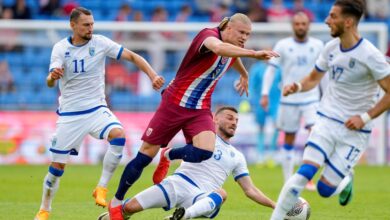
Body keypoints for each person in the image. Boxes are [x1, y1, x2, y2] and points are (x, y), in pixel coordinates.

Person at [108, 13, 279, 220]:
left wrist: (244, 73)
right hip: (174, 103)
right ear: (228, 28)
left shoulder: (231, 47)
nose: (244, 37)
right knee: (145, 155)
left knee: (205, 151)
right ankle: (117, 202)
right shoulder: (208, 36)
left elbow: (232, 56)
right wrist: (253, 54)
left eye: (248, 35)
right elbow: (219, 49)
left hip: (199, 108)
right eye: (242, 32)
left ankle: (169, 155)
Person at [34, 7, 165, 220]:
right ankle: (44, 209)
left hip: (97, 108)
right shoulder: (60, 48)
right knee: (56, 168)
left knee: (119, 134)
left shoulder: (100, 43)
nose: (90, 28)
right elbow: (50, 82)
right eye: (86, 25)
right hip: (70, 115)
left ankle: (102, 187)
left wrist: (152, 75)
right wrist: (53, 76)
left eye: (92, 24)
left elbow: (132, 56)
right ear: (73, 25)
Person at [270, 0, 390, 219]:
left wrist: (364, 117)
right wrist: (296, 86)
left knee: (325, 190)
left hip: (355, 132)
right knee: (303, 173)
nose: (326, 21)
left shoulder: (371, 55)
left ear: (349, 21)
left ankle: (346, 178)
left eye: (333, 16)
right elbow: (313, 78)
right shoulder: (330, 47)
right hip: (326, 120)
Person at [99, 106, 275, 220]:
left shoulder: (237, 156)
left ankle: (183, 215)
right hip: (177, 183)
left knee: (221, 193)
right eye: (229, 118)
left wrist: (276, 205)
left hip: (201, 197)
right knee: (128, 208)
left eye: (236, 120)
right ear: (215, 119)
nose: (234, 123)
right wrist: (167, 156)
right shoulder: (202, 136)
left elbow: (250, 190)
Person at [261, 12, 324, 190]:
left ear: (308, 25)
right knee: (289, 138)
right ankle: (289, 180)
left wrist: (326, 96)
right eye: (297, 24)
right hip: (288, 99)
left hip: (311, 98)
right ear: (292, 26)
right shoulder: (283, 45)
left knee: (316, 134)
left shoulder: (318, 45)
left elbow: (323, 74)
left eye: (304, 24)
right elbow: (271, 71)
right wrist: (265, 93)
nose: (301, 27)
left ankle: (307, 176)